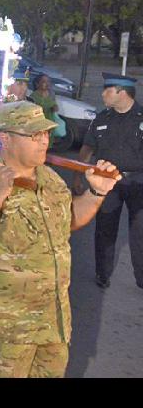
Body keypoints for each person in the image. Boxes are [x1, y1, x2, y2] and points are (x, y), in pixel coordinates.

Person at [0, 101, 121, 378]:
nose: (44, 141)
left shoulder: (51, 179)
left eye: (45, 133)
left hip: (53, 322)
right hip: (6, 331)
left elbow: (69, 221)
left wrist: (96, 193)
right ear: (5, 138)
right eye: (34, 135)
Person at [75, 72, 143, 290]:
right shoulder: (102, 118)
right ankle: (102, 274)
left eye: (108, 90)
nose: (103, 93)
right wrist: (78, 175)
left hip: (138, 183)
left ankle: (141, 278)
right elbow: (87, 148)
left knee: (140, 232)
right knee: (104, 230)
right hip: (107, 183)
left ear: (122, 92)